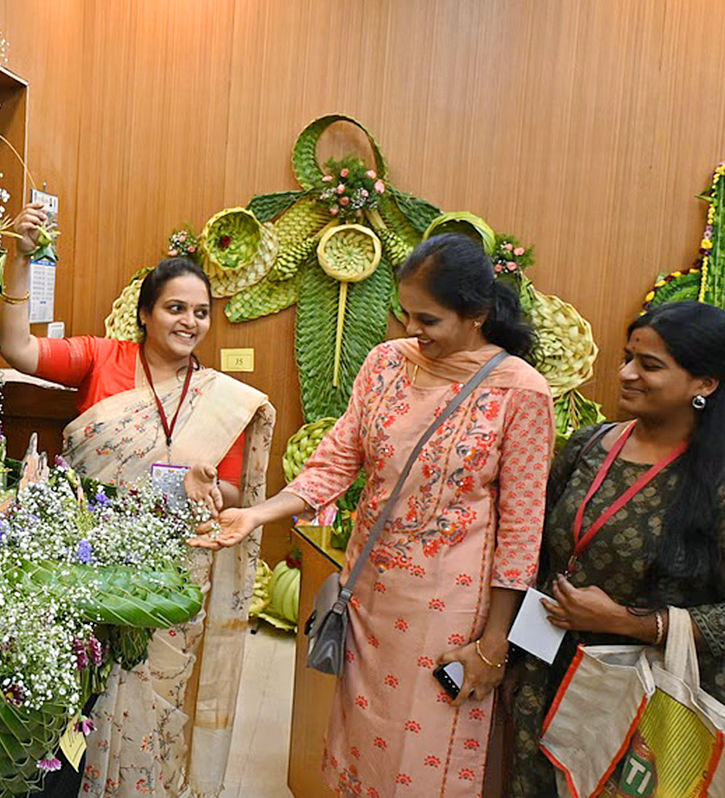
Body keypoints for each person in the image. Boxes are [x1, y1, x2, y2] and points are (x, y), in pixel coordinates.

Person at [195, 233, 555, 795]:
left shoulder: (521, 392)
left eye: (429, 320)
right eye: (406, 314)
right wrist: (258, 515)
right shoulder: (386, 363)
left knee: (425, 757)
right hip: (369, 595)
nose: (412, 330)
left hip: (451, 612)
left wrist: (492, 644)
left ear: (478, 315)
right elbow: (337, 460)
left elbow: (521, 530)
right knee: (363, 749)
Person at [0, 203, 276, 798]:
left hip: (169, 574)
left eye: (201, 313)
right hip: (81, 561)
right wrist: (19, 263)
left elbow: (229, 492)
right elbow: (18, 351)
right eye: (176, 308)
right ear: (146, 314)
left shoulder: (220, 401)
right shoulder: (103, 359)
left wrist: (200, 484)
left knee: (153, 703)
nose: (190, 322)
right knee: (77, 694)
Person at [508, 301, 725, 797]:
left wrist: (633, 623)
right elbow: (534, 550)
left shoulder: (716, 480)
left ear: (705, 384)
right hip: (545, 678)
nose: (626, 374)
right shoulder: (588, 445)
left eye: (649, 366)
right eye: (628, 357)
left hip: (645, 701)